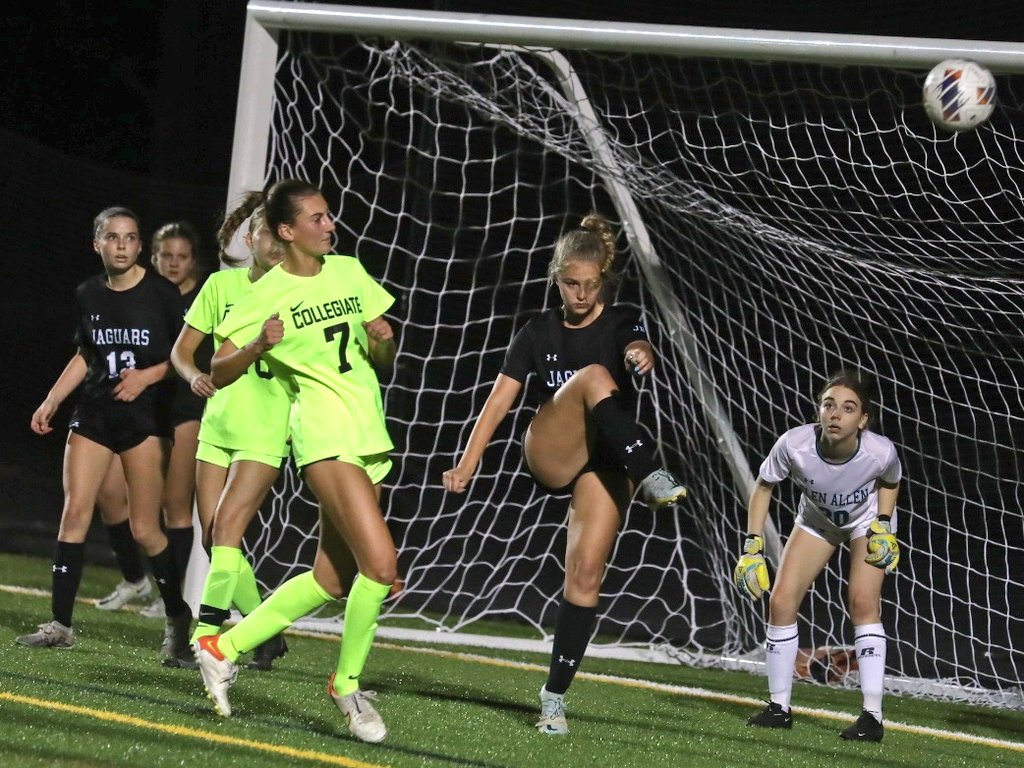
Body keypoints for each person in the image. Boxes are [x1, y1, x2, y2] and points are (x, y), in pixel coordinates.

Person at [442, 212, 688, 735]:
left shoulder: (623, 320)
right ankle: (649, 472)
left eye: (591, 284)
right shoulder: (537, 331)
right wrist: (467, 461)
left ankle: (553, 697)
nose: (581, 293)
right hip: (550, 449)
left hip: (604, 460)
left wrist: (642, 352)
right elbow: (498, 403)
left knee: (585, 576)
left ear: (603, 280)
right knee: (594, 377)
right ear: (557, 279)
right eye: (571, 283)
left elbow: (637, 344)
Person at [195, 179, 398, 745]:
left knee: (332, 579)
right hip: (323, 436)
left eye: (329, 216)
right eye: (316, 218)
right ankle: (347, 687)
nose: (329, 225)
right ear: (286, 232)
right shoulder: (265, 292)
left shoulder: (351, 272)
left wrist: (382, 337)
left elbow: (381, 358)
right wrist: (258, 344)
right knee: (380, 567)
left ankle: (223, 646)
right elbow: (219, 365)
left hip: (367, 432)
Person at [16, 206, 195, 667]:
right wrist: (51, 400)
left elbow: (187, 356)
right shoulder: (87, 294)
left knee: (145, 528)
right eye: (112, 237)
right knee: (75, 512)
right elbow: (85, 355)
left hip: (143, 421)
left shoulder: (162, 294)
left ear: (139, 246)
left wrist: (147, 377)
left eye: (130, 238)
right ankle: (60, 625)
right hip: (94, 414)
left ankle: (177, 618)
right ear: (97, 243)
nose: (121, 245)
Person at [734, 370, 901, 742]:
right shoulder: (794, 445)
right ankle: (779, 708)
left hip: (865, 523)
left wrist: (884, 525)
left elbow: (891, 480)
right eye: (829, 405)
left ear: (863, 419)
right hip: (816, 523)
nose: (836, 414)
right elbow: (763, 489)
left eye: (848, 408)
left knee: (862, 601)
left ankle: (871, 717)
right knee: (780, 601)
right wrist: (751, 546)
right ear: (819, 411)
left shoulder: (879, 450)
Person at [170, 193, 293, 671]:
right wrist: (192, 375)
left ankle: (211, 640)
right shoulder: (222, 286)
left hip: (265, 430)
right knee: (212, 538)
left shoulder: (302, 293)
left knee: (224, 533)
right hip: (218, 425)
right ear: (251, 238)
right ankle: (267, 631)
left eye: (282, 235)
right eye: (266, 234)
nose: (275, 244)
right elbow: (183, 351)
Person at [96, 221, 206, 619]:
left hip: (183, 411)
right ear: (153, 256)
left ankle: (169, 594)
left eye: (183, 256)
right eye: (167, 256)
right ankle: (133, 578)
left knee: (174, 507)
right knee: (108, 493)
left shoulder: (203, 298)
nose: (174, 264)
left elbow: (193, 360)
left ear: (194, 260)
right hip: (138, 408)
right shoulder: (141, 292)